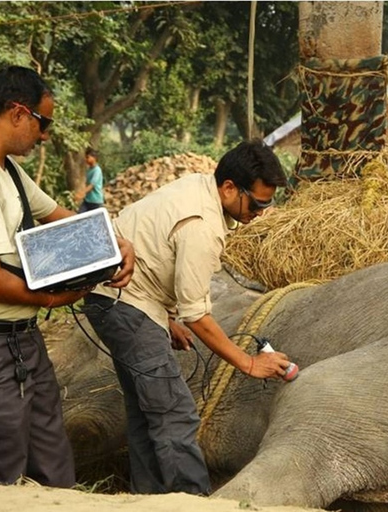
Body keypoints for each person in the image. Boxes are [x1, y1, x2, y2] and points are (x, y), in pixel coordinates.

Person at [0, 66, 135, 488]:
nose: (44, 136)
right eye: (44, 123)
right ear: (18, 113)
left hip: (19, 338)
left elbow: (57, 215)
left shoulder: (4, 168)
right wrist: (53, 300)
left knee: (53, 460)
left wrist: (114, 242)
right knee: (2, 475)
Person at [82, 139, 291, 495]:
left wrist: (165, 319)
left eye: (267, 204)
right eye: (256, 203)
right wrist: (248, 363)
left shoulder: (199, 186)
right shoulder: (201, 226)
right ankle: (193, 501)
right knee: (174, 411)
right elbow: (197, 314)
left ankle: (148, 498)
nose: (260, 212)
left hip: (120, 296)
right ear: (228, 187)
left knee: (147, 411)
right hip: (124, 301)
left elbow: (154, 253)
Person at [75, 147, 104, 213]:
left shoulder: (97, 170)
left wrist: (81, 194)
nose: (86, 159)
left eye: (88, 157)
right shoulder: (89, 170)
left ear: (94, 158)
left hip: (96, 201)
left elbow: (92, 185)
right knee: (80, 216)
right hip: (87, 201)